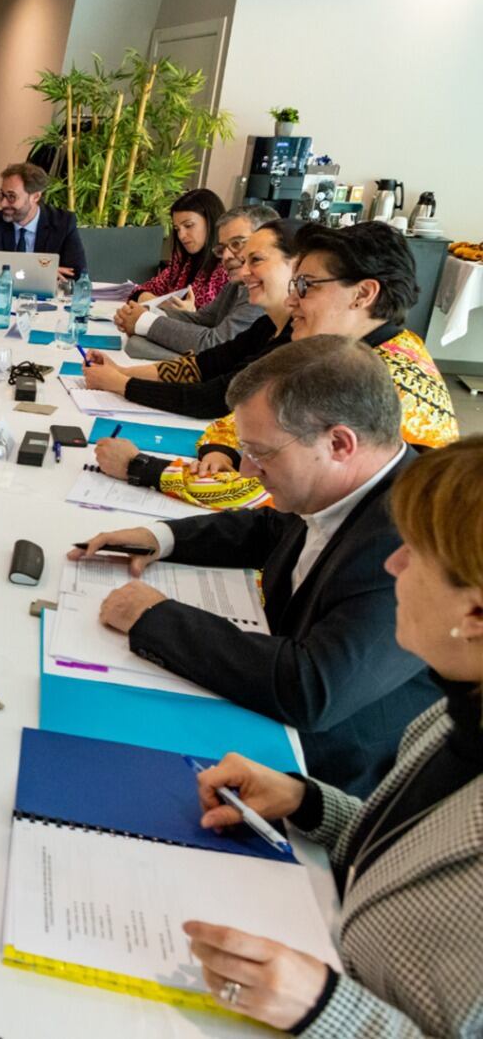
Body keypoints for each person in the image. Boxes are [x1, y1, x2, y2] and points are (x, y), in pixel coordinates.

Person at [181, 436, 483, 1038]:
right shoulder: (456, 712)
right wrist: (309, 803)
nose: (392, 565)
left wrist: (329, 1010)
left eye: (413, 553)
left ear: (474, 616)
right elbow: (413, 852)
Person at [71, 336, 439, 796]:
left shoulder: (414, 539)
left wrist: (155, 616)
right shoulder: (350, 485)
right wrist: (160, 537)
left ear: (340, 443)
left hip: (327, 770)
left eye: (261, 452)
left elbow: (311, 686)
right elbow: (270, 527)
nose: (246, 470)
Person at [93, 222, 459, 509]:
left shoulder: (379, 386)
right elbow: (243, 414)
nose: (293, 299)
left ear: (363, 294)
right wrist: (219, 450)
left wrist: (142, 467)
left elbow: (270, 493)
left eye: (306, 285)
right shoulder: (354, 352)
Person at [85, 220, 299, 420]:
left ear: (298, 267)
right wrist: (121, 372)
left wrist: (120, 383)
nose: (243, 271)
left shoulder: (296, 338)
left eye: (256, 260)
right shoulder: (267, 326)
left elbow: (213, 398)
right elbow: (203, 364)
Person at [116, 204, 276, 361]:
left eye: (236, 244)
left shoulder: (262, 288)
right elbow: (203, 319)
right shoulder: (233, 282)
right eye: (222, 248)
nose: (226, 256)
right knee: (135, 346)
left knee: (136, 347)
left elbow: (217, 344)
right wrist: (144, 313)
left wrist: (144, 321)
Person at [0, 161, 87, 276]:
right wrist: (41, 272)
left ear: (35, 197)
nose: (3, 204)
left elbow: (76, 273)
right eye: (2, 195)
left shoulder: (63, 223)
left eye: (11, 196)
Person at [131, 187, 228, 307]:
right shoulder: (183, 263)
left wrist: (181, 313)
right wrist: (166, 305)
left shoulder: (228, 269)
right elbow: (138, 292)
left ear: (211, 223)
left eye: (188, 225)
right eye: (177, 229)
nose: (181, 235)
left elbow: (221, 322)